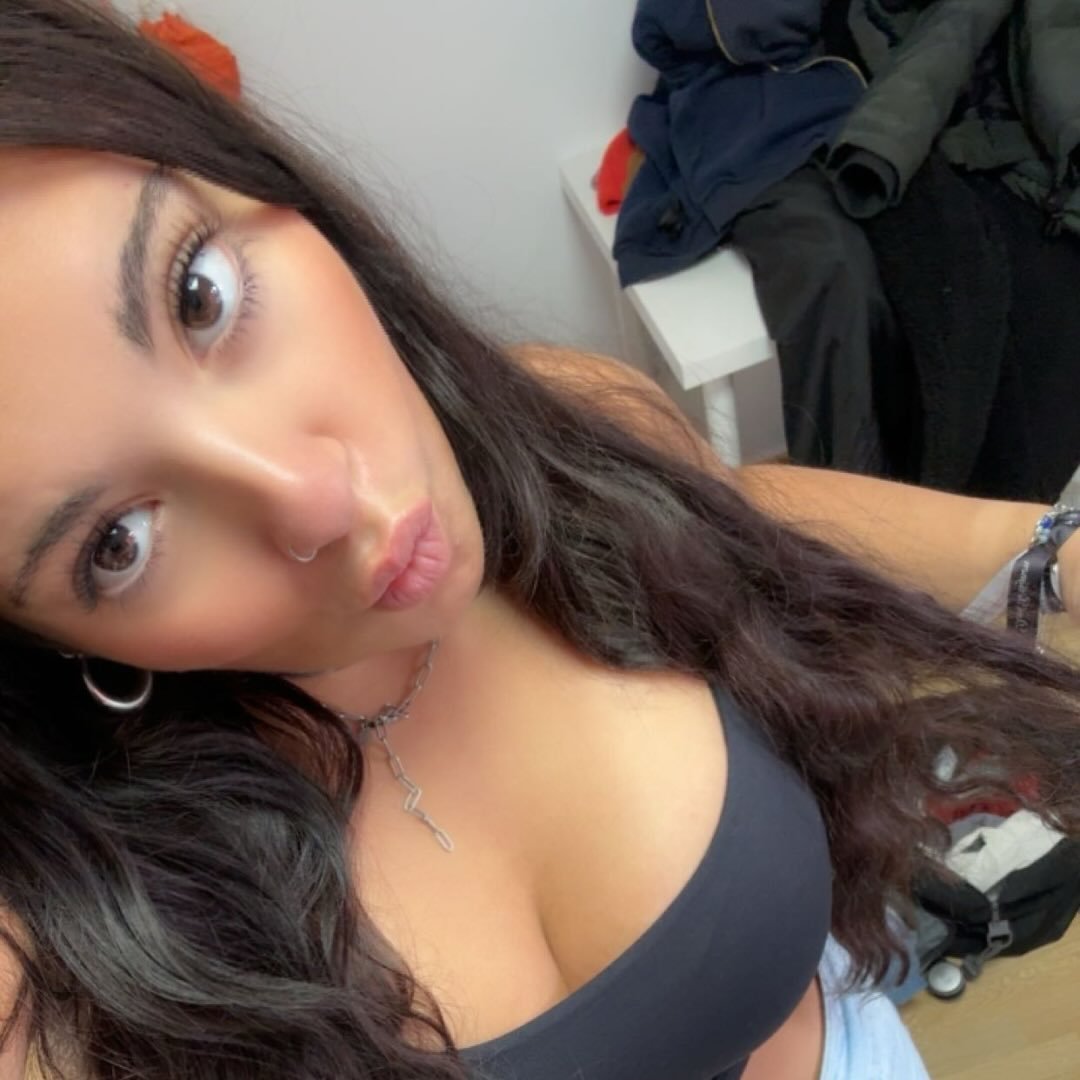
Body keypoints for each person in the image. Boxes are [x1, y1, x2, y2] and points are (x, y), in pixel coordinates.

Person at [0, 3, 1078, 1079]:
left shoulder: (555, 422)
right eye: (116, 543)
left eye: (199, 296)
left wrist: (1045, 554)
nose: (318, 497)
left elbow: (729, 506)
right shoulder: (59, 957)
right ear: (40, 638)